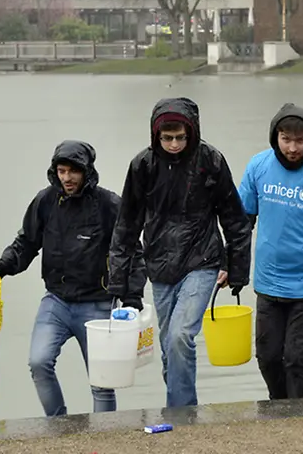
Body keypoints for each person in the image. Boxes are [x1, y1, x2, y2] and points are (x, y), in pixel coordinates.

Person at [108, 97, 253, 408]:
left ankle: (182, 413)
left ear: (191, 133)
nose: (174, 144)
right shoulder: (142, 166)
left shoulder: (211, 161)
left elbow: (234, 218)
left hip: (202, 261)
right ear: (156, 135)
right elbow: (126, 226)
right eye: (167, 138)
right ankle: (180, 404)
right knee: (167, 346)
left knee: (179, 336)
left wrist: (237, 268)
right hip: (159, 266)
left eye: (180, 137)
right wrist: (120, 283)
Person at [0, 140, 142, 416]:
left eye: (73, 172)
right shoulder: (45, 201)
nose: (67, 178)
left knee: (102, 383)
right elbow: (27, 243)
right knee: (39, 362)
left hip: (98, 305)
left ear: (87, 172)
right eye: (61, 171)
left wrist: (132, 297)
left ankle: (106, 435)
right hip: (56, 302)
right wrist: (3, 266)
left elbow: (134, 253)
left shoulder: (108, 204)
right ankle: (59, 426)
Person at [238, 103, 303, 400]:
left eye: (300, 141)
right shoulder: (258, 165)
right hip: (269, 280)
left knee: (296, 357)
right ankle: (281, 408)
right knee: (268, 357)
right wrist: (232, 265)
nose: (293, 148)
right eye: (286, 139)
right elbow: (243, 220)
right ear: (275, 137)